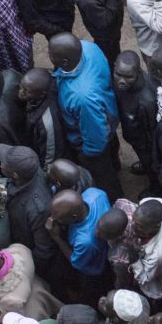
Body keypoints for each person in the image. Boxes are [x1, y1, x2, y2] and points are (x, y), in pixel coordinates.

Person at [48, 33, 121, 199]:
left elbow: (95, 138)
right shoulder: (88, 47)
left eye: (51, 54)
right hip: (107, 117)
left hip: (91, 138)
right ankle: (115, 165)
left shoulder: (82, 97)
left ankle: (114, 203)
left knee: (104, 177)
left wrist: (87, 154)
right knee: (111, 152)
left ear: (65, 62)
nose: (49, 55)